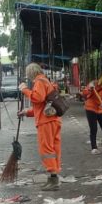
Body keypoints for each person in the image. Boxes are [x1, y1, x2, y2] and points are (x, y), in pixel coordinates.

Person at [17, 62, 62, 191]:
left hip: (46, 122)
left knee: (47, 150)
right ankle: (54, 177)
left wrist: (24, 89)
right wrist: (27, 111)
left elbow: (38, 98)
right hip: (54, 119)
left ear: (31, 73)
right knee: (54, 149)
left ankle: (53, 179)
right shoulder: (46, 81)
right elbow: (42, 105)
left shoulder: (39, 81)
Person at [82, 73, 102, 154]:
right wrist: (90, 88)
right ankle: (94, 148)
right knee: (93, 129)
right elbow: (84, 93)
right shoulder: (94, 84)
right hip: (91, 108)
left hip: (101, 109)